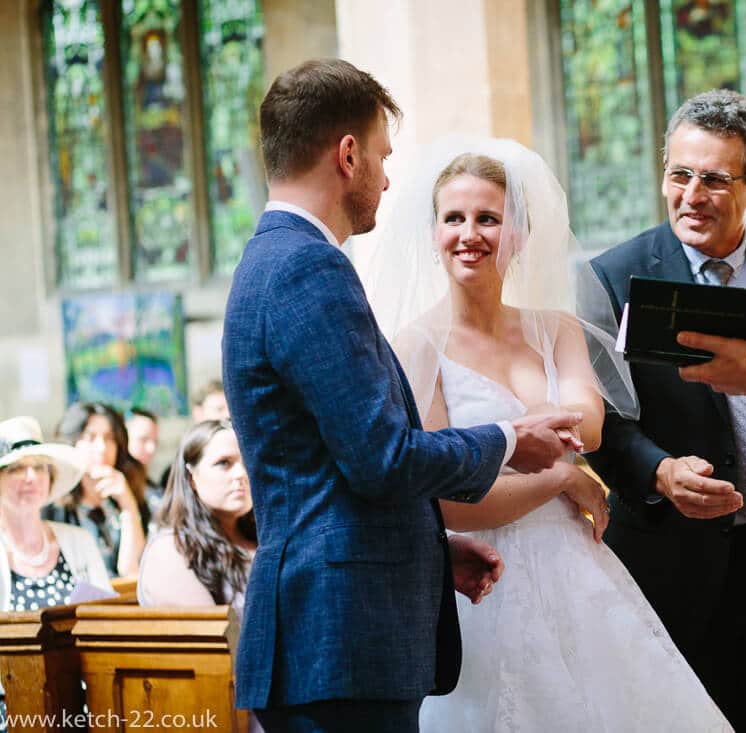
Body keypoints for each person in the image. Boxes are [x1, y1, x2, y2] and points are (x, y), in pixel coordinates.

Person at [221, 59, 582, 731]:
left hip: (333, 631)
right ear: (347, 153)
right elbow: (382, 455)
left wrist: (433, 546)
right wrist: (510, 438)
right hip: (336, 641)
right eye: (383, 156)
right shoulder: (308, 268)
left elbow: (329, 470)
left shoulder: (276, 257)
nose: (388, 179)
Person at [362, 138, 732, 731]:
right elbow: (452, 498)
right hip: (482, 580)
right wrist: (559, 475)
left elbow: (589, 424)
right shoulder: (415, 346)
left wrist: (505, 450)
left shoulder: (555, 329)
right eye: (453, 218)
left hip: (574, 565)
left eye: (489, 218)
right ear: (433, 235)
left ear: (519, 236)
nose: (469, 234)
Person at [584, 89, 746, 732]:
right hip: (672, 556)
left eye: (715, 180)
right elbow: (599, 422)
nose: (691, 195)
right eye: (679, 174)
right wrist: (660, 473)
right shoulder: (612, 277)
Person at [138, 419, 255, 615]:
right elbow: (216, 640)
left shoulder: (264, 537)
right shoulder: (172, 550)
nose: (241, 474)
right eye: (224, 463)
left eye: (248, 461)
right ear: (191, 478)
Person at [1, 416, 111, 610]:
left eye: (39, 467)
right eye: (16, 469)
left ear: (50, 478)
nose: (31, 477)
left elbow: (106, 617)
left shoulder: (80, 541)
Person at [46, 402, 149, 577]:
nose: (102, 448)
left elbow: (131, 571)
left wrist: (128, 506)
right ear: (72, 442)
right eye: (90, 437)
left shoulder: (132, 496)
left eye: (109, 438)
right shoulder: (53, 505)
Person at [126, 408, 165, 515]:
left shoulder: (153, 489)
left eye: (155, 441)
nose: (151, 448)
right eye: (143, 439)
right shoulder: (115, 486)